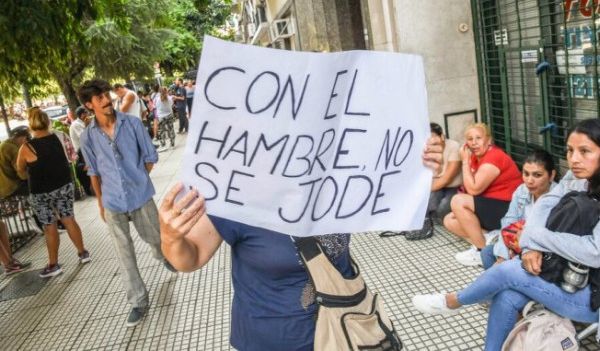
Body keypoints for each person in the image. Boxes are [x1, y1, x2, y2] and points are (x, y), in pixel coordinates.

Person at [158, 136, 445, 350]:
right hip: (271, 340)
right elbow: (189, 258)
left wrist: (418, 168)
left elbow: (396, 200)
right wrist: (171, 237)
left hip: (345, 330)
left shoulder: (339, 174)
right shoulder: (235, 194)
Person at [412, 118, 600, 351]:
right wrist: (531, 246)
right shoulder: (577, 178)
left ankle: (452, 301)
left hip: (592, 297)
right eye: (570, 151)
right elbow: (546, 204)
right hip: (566, 272)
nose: (574, 159)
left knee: (510, 270)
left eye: (585, 151)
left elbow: (595, 252)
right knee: (507, 295)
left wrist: (534, 238)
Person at [77, 79, 177, 328]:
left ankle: (161, 255)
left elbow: (150, 157)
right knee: (124, 254)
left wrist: (139, 179)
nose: (107, 100)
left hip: (140, 196)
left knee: (155, 238)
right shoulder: (88, 136)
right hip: (112, 202)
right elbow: (94, 173)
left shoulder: (131, 124)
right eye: (100, 98)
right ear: (90, 105)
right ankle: (138, 301)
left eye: (107, 95)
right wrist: (101, 204)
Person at [16, 107, 90, 278]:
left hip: (40, 191)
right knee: (69, 218)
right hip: (63, 184)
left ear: (31, 126)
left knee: (49, 227)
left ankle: (53, 264)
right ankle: (83, 252)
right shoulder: (60, 136)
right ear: (47, 121)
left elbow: (20, 170)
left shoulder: (27, 147)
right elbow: (73, 157)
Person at [444, 123, 522, 267]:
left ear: (488, 140)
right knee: (449, 220)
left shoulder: (494, 157)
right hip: (492, 206)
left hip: (509, 209)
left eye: (478, 138)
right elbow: (469, 188)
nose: (474, 143)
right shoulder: (475, 158)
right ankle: (493, 238)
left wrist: (465, 161)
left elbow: (473, 190)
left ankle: (481, 251)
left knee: (457, 201)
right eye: (470, 139)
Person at [480, 149, 557, 270]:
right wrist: (502, 258)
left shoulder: (558, 199)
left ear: (551, 175)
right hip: (516, 245)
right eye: (526, 174)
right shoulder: (522, 191)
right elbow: (508, 224)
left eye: (537, 175)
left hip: (540, 252)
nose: (530, 181)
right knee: (487, 253)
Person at [405, 123, 462, 240]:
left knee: (443, 208)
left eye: (433, 138)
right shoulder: (426, 149)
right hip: (436, 184)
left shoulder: (454, 146)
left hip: (453, 186)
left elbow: (448, 178)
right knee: (430, 201)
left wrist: (423, 193)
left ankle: (435, 216)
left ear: (442, 136)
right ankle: (424, 222)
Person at [0, 125, 33, 275]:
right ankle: (8, 263)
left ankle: (9, 261)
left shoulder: (5, 145)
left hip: (4, 188)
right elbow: (20, 172)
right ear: (22, 138)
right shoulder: (12, 148)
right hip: (9, 187)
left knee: (2, 227)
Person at [154, 87, 176, 152]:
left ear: (159, 92)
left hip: (161, 116)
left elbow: (155, 107)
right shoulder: (170, 98)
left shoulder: (156, 99)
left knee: (161, 131)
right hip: (169, 115)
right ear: (166, 91)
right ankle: (172, 144)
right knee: (171, 129)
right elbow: (171, 105)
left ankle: (163, 146)